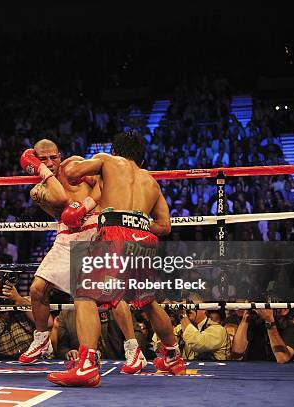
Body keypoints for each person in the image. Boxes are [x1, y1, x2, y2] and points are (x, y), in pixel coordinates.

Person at [49, 130, 184, 387]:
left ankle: (87, 366)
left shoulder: (108, 161)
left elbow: (71, 173)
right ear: (142, 160)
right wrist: (137, 222)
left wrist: (92, 172)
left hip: (114, 234)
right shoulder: (151, 182)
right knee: (147, 303)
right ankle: (172, 356)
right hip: (144, 238)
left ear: (115, 151)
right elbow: (164, 225)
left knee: (84, 295)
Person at [18, 139, 146, 374]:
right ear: (35, 162)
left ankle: (133, 348)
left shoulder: (75, 165)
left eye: (53, 157)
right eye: (43, 159)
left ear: (60, 154)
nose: (50, 162)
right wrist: (42, 171)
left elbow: (104, 184)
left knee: (111, 295)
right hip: (67, 238)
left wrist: (86, 205)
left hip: (96, 232)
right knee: (37, 289)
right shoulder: (38, 190)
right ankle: (42, 339)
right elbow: (59, 198)